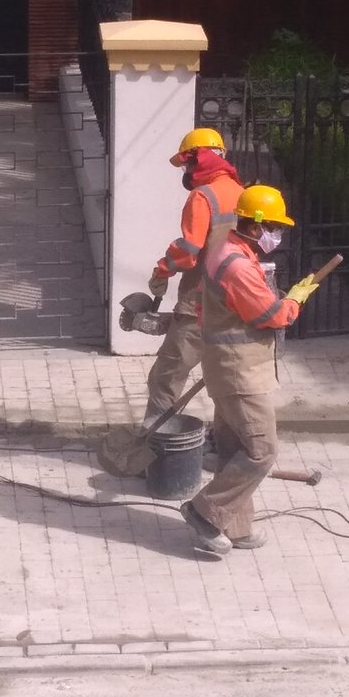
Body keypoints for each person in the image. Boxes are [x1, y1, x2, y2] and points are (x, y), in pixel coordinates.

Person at [179, 185, 321, 556]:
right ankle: (204, 512)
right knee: (261, 450)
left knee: (233, 448)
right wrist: (294, 299)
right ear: (256, 226)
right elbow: (271, 317)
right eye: (274, 227)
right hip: (241, 374)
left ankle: (236, 526)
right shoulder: (239, 266)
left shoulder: (223, 248)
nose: (278, 235)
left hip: (224, 366)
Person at [98, 127, 244, 477]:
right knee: (225, 383)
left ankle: (153, 451)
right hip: (235, 306)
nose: (185, 173)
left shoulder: (202, 198)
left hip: (199, 304)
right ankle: (230, 453)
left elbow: (190, 250)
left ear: (199, 159)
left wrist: (162, 269)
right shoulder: (243, 193)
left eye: (185, 165)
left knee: (166, 378)